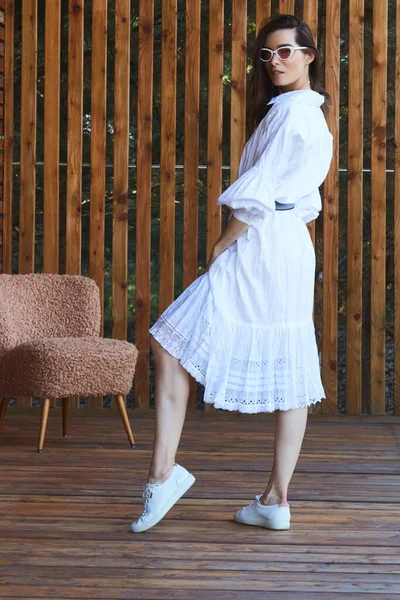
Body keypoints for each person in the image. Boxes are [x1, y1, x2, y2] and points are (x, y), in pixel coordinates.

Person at [131, 14, 333, 533]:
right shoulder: (301, 114)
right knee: (289, 368)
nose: (275, 61)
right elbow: (299, 197)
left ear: (309, 56)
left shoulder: (295, 116)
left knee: (171, 343)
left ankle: (166, 475)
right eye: (267, 54)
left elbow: (260, 191)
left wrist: (223, 243)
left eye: (286, 51)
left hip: (263, 242)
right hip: (286, 243)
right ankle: (274, 501)